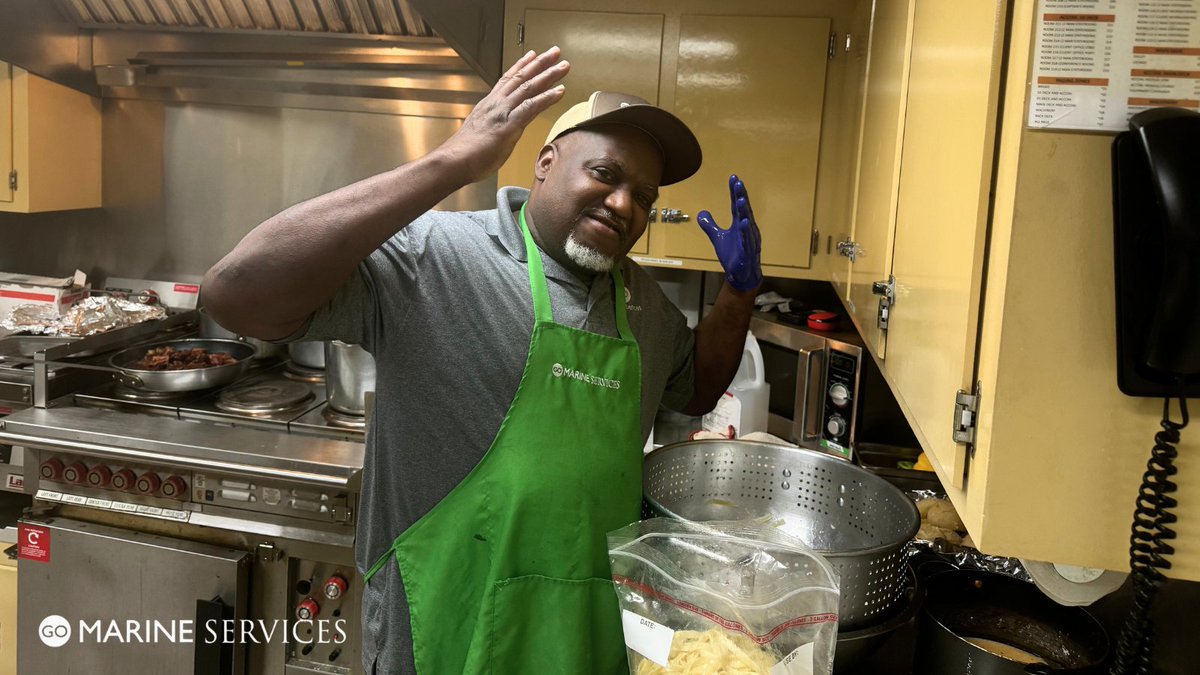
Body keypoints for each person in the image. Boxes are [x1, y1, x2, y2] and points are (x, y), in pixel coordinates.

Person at [202, 46, 762, 675]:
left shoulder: (645, 305)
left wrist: (739, 295)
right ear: (546, 163)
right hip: (444, 620)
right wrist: (454, 160)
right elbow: (236, 297)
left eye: (644, 195)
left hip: (583, 633)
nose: (624, 204)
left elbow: (695, 388)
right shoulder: (436, 256)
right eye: (605, 174)